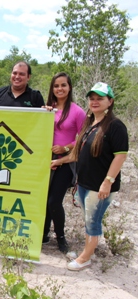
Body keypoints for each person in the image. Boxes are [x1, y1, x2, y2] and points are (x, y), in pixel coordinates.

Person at [51, 82, 128, 271]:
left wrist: (107, 182)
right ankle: (87, 251)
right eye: (92, 98)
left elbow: (120, 155)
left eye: (100, 99)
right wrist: (59, 162)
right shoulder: (90, 122)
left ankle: (85, 258)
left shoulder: (115, 126)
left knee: (93, 220)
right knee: (88, 218)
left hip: (100, 185)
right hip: (85, 182)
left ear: (110, 101)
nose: (95, 102)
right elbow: (78, 152)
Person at [42, 73, 86, 253]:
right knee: (43, 200)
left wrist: (66, 148)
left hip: (66, 163)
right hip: (45, 162)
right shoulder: (46, 109)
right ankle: (43, 235)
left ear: (69, 88)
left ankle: (60, 238)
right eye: (56, 86)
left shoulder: (77, 111)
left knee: (54, 201)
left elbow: (84, 138)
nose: (59, 89)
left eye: (63, 85)